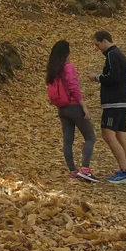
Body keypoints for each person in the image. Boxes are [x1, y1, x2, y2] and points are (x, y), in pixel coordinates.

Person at [46, 40, 97, 183]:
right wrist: (84, 106)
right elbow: (74, 88)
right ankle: (85, 169)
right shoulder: (68, 68)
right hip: (74, 107)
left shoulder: (53, 69)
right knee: (90, 137)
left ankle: (73, 171)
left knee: (68, 140)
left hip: (62, 108)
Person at [94, 30, 126, 184]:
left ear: (105, 41)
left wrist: (97, 77)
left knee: (108, 134)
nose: (98, 48)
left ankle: (125, 172)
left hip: (115, 102)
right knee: (121, 134)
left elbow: (114, 77)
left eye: (98, 44)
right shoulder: (120, 55)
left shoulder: (112, 55)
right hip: (124, 100)